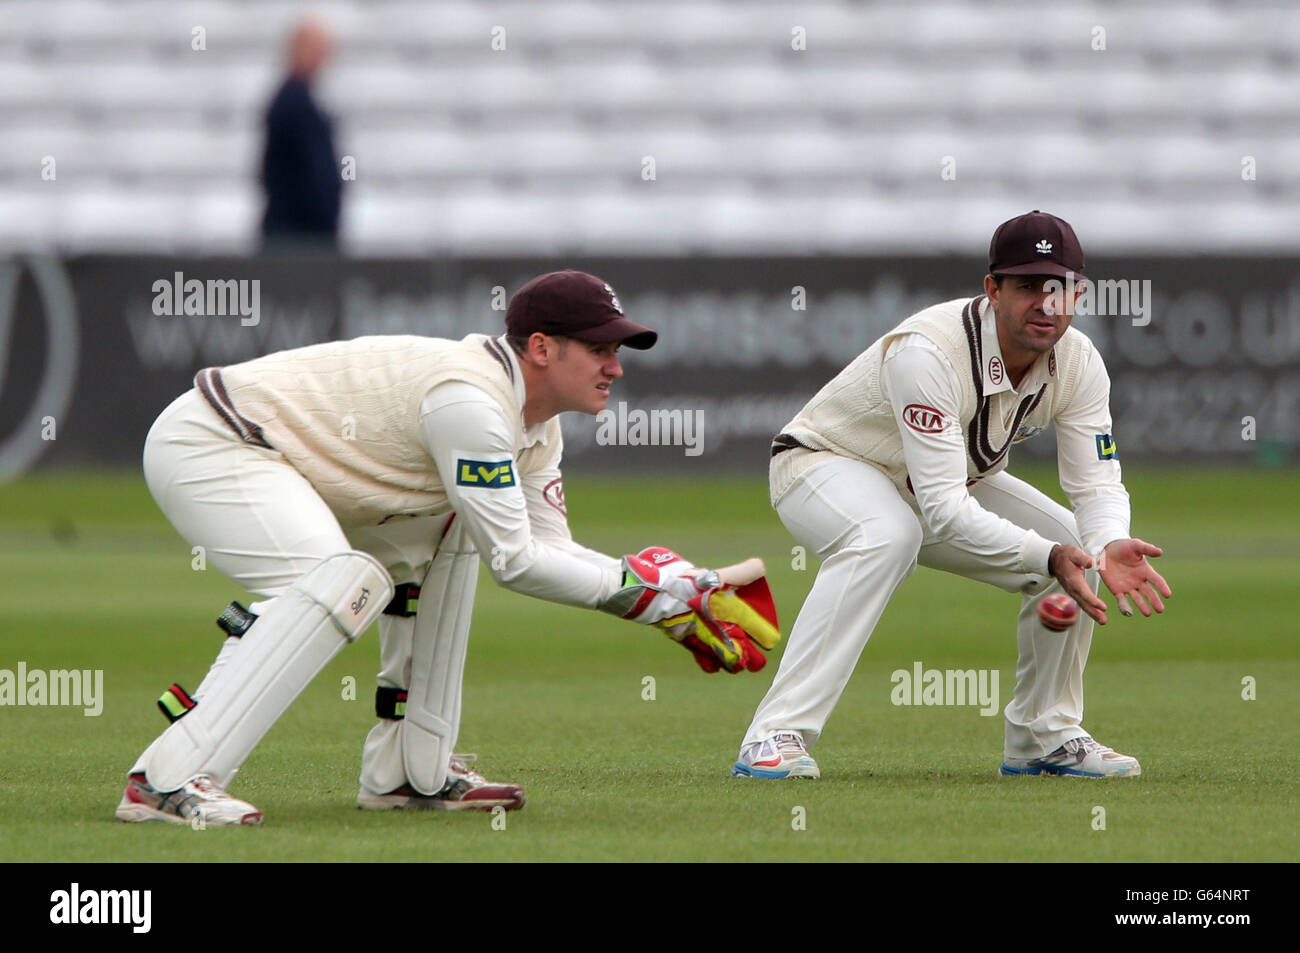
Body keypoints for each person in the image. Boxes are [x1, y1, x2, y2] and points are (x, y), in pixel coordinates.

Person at [116, 270, 778, 826]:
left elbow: (544, 546)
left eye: (619, 347)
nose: (616, 365)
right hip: (216, 442)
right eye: (600, 347)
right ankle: (168, 779)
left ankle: (410, 770)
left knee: (455, 532)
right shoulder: (471, 402)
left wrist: (670, 588)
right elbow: (517, 565)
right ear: (543, 347)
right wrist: (645, 598)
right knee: (340, 581)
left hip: (304, 465)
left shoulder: (536, 428)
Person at [733, 211, 1172, 781]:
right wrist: (1045, 556)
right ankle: (773, 736)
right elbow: (942, 509)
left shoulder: (1080, 361)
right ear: (992, 290)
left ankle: (1045, 737)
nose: (1046, 304)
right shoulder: (929, 352)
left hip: (944, 481)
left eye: (1059, 288)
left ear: (1079, 293)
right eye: (1027, 287)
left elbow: (1095, 481)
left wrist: (1108, 540)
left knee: (1078, 548)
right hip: (824, 465)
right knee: (887, 535)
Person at [260, 19, 342, 249]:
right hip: (296, 236)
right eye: (316, 50)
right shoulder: (292, 103)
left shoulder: (303, 100)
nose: (322, 59)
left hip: (304, 234)